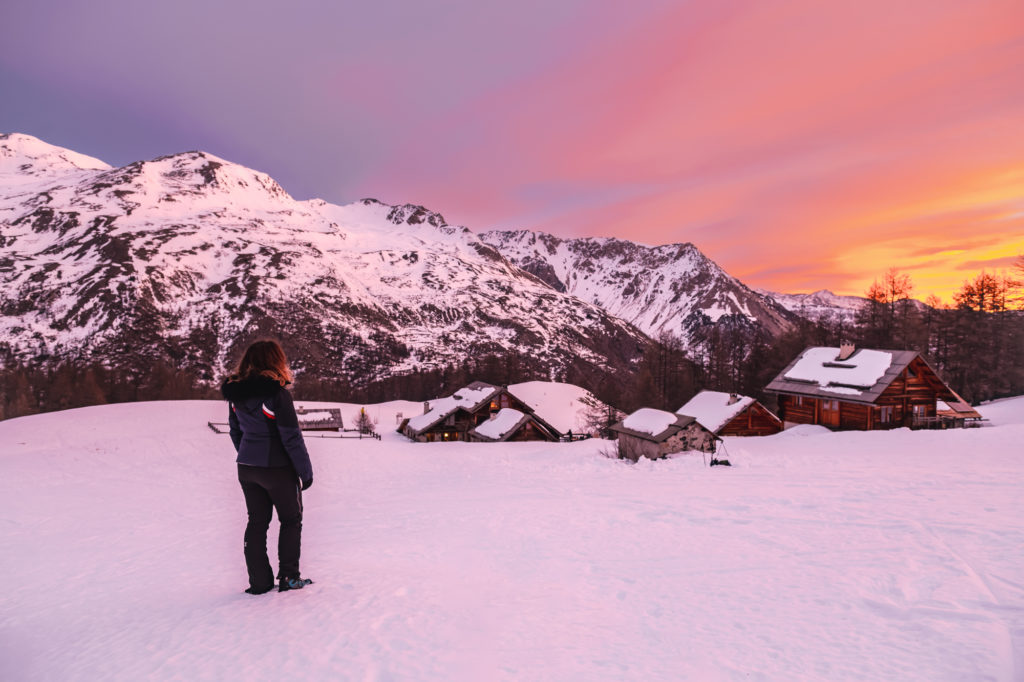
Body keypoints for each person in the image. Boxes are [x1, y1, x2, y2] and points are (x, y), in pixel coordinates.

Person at [221, 340, 314, 594]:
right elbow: (291, 437)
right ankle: (289, 578)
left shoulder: (235, 396)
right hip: (277, 468)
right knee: (291, 520)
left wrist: (248, 454)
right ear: (276, 361)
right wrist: (305, 473)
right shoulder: (277, 395)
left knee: (257, 522)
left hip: (247, 468)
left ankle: (259, 583)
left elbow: (235, 431)